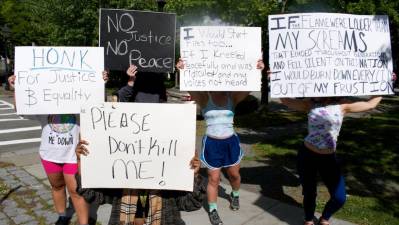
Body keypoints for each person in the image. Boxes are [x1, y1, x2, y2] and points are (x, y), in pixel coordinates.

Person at [278, 72, 396, 225]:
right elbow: (286, 101)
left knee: (339, 197)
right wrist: (274, 79)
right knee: (309, 193)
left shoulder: (343, 106)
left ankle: (324, 219)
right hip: (307, 155)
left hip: (328, 158)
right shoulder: (310, 104)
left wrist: (387, 83)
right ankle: (308, 220)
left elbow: (370, 104)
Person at [8, 72, 108, 225]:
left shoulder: (78, 101)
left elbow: (98, 106)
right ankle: (62, 216)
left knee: (76, 191)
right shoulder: (43, 104)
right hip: (50, 155)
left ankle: (84, 222)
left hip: (73, 156)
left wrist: (100, 83)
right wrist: (16, 88)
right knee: (57, 186)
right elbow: (21, 109)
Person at [176, 58, 265, 225]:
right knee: (213, 179)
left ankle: (235, 194)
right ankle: (213, 209)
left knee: (234, 175)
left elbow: (250, 86)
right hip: (212, 144)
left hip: (230, 143)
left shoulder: (233, 97)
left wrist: (257, 70)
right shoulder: (204, 98)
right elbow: (188, 85)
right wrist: (182, 70)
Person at [75, 140, 206, 225]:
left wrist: (193, 176)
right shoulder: (120, 182)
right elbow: (90, 194)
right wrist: (83, 162)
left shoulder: (169, 183)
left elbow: (191, 204)